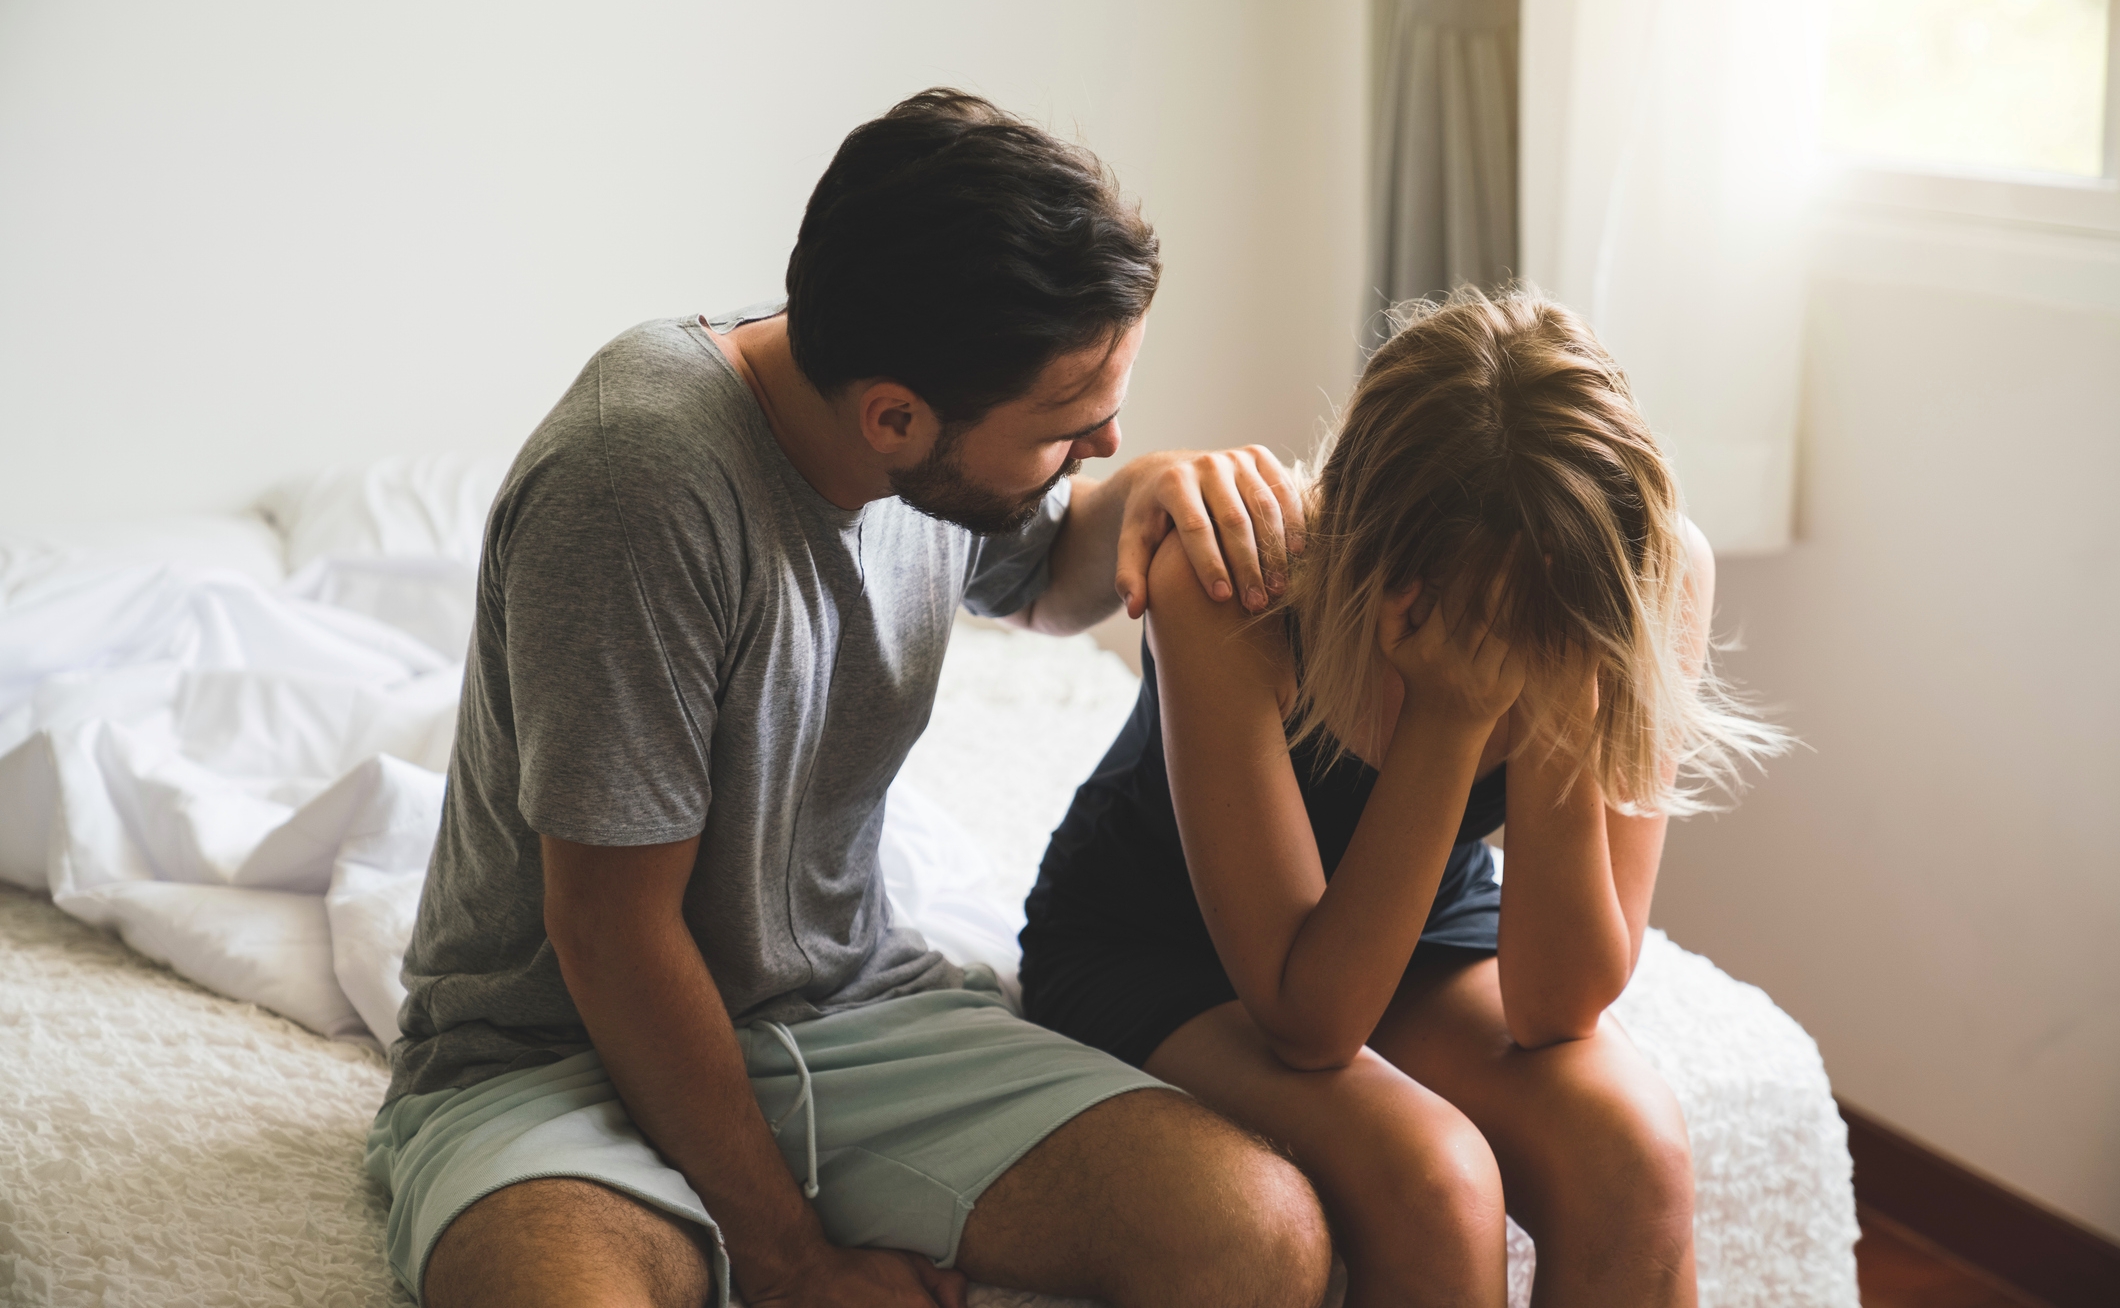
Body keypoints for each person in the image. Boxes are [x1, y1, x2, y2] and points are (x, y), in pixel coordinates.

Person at [365, 89, 1334, 1308]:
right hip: (554, 1051)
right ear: (893, 419)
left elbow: (1037, 562)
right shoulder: (636, 479)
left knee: (1259, 1237)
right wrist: (790, 1259)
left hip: (842, 1012)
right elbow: (612, 933)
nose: (1102, 443)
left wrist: (1159, 497)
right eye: (1068, 428)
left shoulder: (919, 428)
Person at [1021, 287, 1790, 1308]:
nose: (1511, 654)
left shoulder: (1640, 573)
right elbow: (1310, 1022)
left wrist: (1567, 687)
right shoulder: (1235, 591)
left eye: (1550, 624)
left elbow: (1558, 1006)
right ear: (1366, 560)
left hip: (1416, 910)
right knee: (1435, 1180)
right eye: (1486, 623)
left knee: (1633, 1150)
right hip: (1157, 940)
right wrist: (1448, 716)